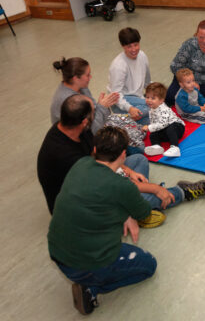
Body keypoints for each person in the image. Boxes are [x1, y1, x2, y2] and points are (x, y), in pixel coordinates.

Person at [38, 94, 205, 215]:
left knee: (138, 160)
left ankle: (134, 203)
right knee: (144, 198)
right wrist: (154, 188)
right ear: (85, 121)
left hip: (96, 178)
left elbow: (100, 159)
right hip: (82, 204)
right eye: (94, 111)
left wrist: (128, 171)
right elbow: (110, 181)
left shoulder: (72, 127)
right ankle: (180, 192)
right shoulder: (66, 156)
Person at [47, 126, 155, 315]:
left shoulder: (81, 164)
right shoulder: (123, 187)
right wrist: (132, 208)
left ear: (95, 150)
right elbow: (144, 212)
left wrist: (125, 213)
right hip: (87, 263)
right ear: (123, 154)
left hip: (57, 252)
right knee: (149, 265)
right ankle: (91, 289)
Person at [50, 57, 119, 134]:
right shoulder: (69, 101)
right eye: (88, 75)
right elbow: (92, 131)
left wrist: (102, 106)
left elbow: (94, 111)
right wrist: (102, 107)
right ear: (76, 78)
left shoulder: (81, 87)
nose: (90, 77)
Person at [166, 20, 205, 105]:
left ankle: (189, 99)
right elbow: (174, 66)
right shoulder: (189, 45)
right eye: (201, 37)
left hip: (203, 83)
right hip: (185, 80)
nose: (204, 41)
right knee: (170, 98)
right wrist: (190, 82)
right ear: (196, 35)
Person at [108, 27, 151, 125]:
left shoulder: (142, 56)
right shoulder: (118, 65)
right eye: (129, 46)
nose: (134, 49)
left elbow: (147, 82)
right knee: (152, 107)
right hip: (121, 101)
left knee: (156, 107)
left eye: (136, 45)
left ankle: (127, 121)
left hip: (138, 99)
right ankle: (122, 118)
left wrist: (155, 94)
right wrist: (130, 108)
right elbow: (116, 95)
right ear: (123, 46)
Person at [142, 82, 185, 158]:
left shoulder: (163, 109)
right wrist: (151, 128)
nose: (149, 100)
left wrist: (149, 127)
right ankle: (156, 146)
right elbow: (154, 123)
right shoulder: (152, 109)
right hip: (165, 130)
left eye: (153, 98)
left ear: (161, 100)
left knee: (170, 128)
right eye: (147, 97)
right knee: (153, 133)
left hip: (177, 128)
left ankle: (175, 148)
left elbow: (163, 124)